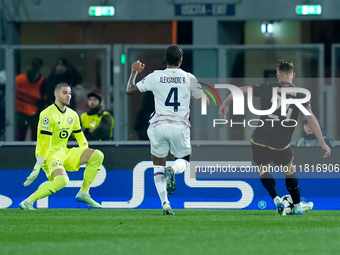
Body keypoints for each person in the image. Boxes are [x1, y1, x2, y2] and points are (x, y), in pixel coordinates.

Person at [219, 59, 331, 215]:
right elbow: (311, 118)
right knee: (289, 170)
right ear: (293, 75)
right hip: (281, 143)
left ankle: (277, 199)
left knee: (263, 169)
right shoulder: (301, 94)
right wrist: (323, 143)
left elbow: (237, 91)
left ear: (278, 75)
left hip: (259, 138)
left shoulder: (266, 87)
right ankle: (297, 205)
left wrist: (225, 104)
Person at [126, 45, 208, 215]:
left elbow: (129, 91)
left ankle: (165, 203)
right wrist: (191, 96)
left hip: (158, 126)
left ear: (165, 59)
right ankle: (174, 169)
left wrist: (134, 72)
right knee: (184, 160)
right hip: (179, 126)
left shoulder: (155, 76)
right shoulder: (189, 78)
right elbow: (205, 102)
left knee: (158, 165)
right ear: (180, 60)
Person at [19, 82, 104, 210]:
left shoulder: (73, 115)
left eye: (69, 93)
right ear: (56, 94)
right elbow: (45, 144)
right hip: (48, 154)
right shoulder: (47, 114)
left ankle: (84, 193)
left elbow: (81, 138)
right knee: (62, 181)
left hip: (64, 152)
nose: (68, 96)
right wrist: (37, 167)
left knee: (97, 155)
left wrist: (85, 154)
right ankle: (28, 201)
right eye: (64, 93)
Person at [15, 58, 47, 141]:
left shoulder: (42, 80)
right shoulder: (19, 79)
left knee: (33, 137)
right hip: (22, 112)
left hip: (33, 112)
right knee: (22, 137)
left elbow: (45, 97)